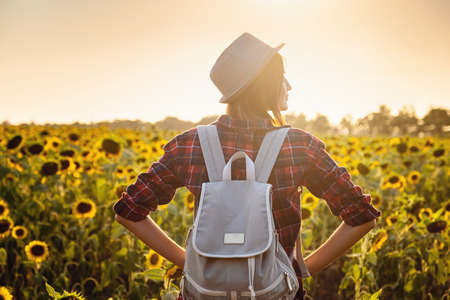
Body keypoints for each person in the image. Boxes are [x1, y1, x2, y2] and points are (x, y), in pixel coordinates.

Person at [113, 32, 381, 300]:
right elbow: (362, 217)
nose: (288, 85)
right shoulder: (299, 147)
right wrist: (300, 269)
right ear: (263, 84)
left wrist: (188, 263)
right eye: (281, 76)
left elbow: (128, 211)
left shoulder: (190, 145)